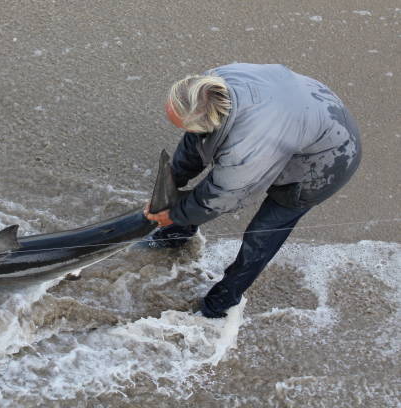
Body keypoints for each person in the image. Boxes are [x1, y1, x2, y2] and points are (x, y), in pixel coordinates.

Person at [144, 63, 361, 318]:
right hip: (299, 118)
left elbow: (222, 197)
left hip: (326, 162)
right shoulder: (212, 82)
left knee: (261, 234)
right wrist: (174, 181)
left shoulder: (245, 147)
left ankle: (221, 301)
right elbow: (196, 141)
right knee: (208, 154)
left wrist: (175, 213)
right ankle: (177, 234)